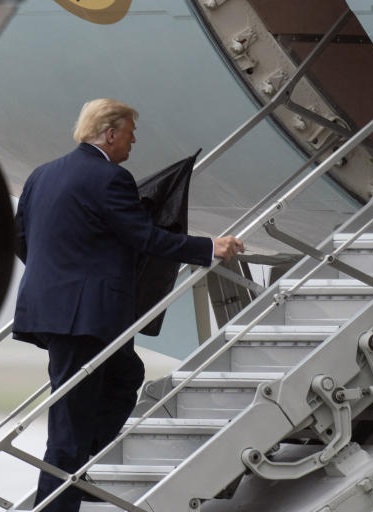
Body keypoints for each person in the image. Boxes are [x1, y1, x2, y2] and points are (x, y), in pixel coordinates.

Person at [13, 98, 244, 512]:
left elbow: (21, 239)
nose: (133, 144)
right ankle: (58, 501)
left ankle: (81, 470)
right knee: (70, 420)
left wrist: (59, 277)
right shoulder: (109, 178)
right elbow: (145, 237)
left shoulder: (41, 175)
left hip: (60, 311)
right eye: (131, 135)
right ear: (110, 133)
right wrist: (211, 247)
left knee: (124, 377)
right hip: (84, 317)